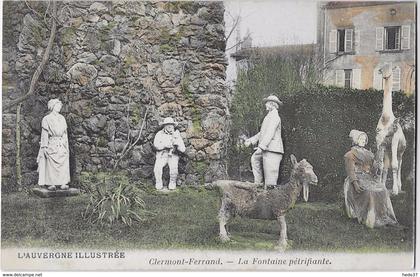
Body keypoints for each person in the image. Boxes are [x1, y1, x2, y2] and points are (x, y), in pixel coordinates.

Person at [344, 129, 398, 228]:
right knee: (370, 192)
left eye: (365, 139)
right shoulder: (350, 154)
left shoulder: (368, 153)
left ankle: (382, 215)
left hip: (368, 178)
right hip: (356, 179)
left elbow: (373, 168)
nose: (363, 140)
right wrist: (355, 184)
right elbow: (350, 171)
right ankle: (370, 218)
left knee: (383, 190)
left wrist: (377, 163)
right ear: (355, 139)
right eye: (361, 138)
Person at [244, 95, 284, 189]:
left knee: (270, 177)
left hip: (273, 150)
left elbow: (270, 133)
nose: (265, 104)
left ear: (272, 104)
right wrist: (251, 140)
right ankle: (258, 183)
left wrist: (261, 147)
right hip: (267, 148)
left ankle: (270, 194)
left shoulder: (275, 117)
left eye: (267, 102)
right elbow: (262, 133)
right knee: (255, 159)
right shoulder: (269, 116)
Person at [37, 99, 70, 191]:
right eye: (57, 105)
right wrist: (44, 146)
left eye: (60, 106)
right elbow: (44, 134)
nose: (59, 107)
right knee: (51, 163)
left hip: (61, 143)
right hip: (52, 142)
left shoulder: (62, 118)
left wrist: (65, 144)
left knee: (63, 162)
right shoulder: (47, 119)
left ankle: (63, 182)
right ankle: (51, 183)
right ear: (52, 106)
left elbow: (65, 133)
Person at [153, 117, 186, 191]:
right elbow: (156, 145)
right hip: (162, 155)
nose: (170, 126)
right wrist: (165, 146)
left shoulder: (176, 135)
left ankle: (172, 182)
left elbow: (183, 149)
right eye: (167, 124)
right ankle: (158, 182)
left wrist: (177, 145)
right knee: (157, 168)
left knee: (174, 168)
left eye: (171, 124)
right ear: (164, 126)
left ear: (173, 126)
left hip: (173, 155)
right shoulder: (159, 134)